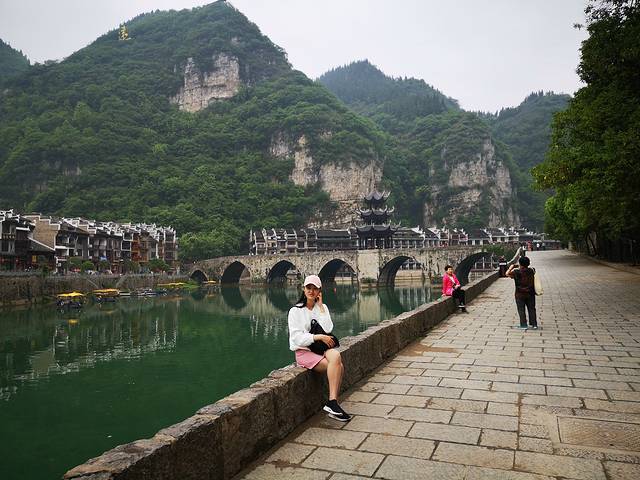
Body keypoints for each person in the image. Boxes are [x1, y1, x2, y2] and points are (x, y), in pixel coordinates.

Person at [288, 274, 351, 422]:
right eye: (308, 288)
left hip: (320, 349)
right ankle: (333, 404)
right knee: (339, 367)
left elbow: (328, 329)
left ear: (319, 291)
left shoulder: (322, 308)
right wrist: (318, 337)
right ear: (303, 289)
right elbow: (297, 338)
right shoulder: (295, 311)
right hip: (304, 352)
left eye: (314, 288)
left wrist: (321, 307)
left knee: (335, 356)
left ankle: (332, 403)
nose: (311, 291)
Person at [506, 256, 538, 330]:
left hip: (519, 294)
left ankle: (523, 325)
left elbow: (507, 274)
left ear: (520, 263)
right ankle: (534, 324)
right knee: (532, 309)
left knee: (521, 309)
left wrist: (511, 267)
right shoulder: (532, 270)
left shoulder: (516, 272)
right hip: (530, 293)